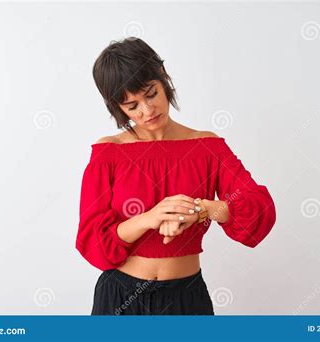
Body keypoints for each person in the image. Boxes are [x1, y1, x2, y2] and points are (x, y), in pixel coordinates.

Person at [75, 37, 277, 315]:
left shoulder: (207, 147)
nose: (147, 111)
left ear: (164, 78)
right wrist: (150, 218)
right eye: (132, 106)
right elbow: (93, 241)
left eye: (151, 94)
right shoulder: (108, 154)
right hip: (119, 299)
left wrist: (203, 209)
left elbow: (258, 210)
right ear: (117, 108)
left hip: (186, 299)